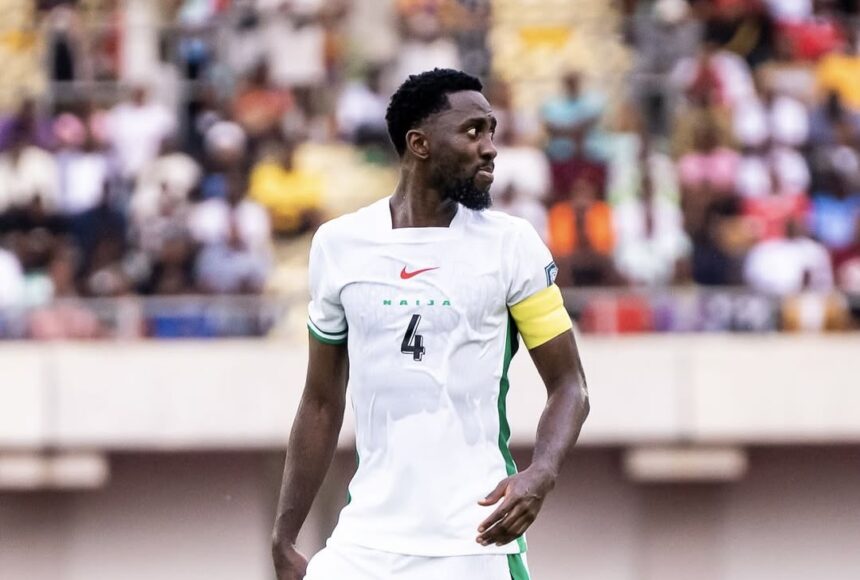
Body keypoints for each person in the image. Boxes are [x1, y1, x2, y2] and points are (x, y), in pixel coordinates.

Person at [271, 69, 590, 580]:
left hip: (475, 539)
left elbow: (570, 385)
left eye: (491, 131)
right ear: (419, 144)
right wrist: (285, 534)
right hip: (364, 544)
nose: (490, 148)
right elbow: (321, 401)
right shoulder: (339, 245)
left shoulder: (513, 245)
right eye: (472, 131)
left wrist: (542, 472)